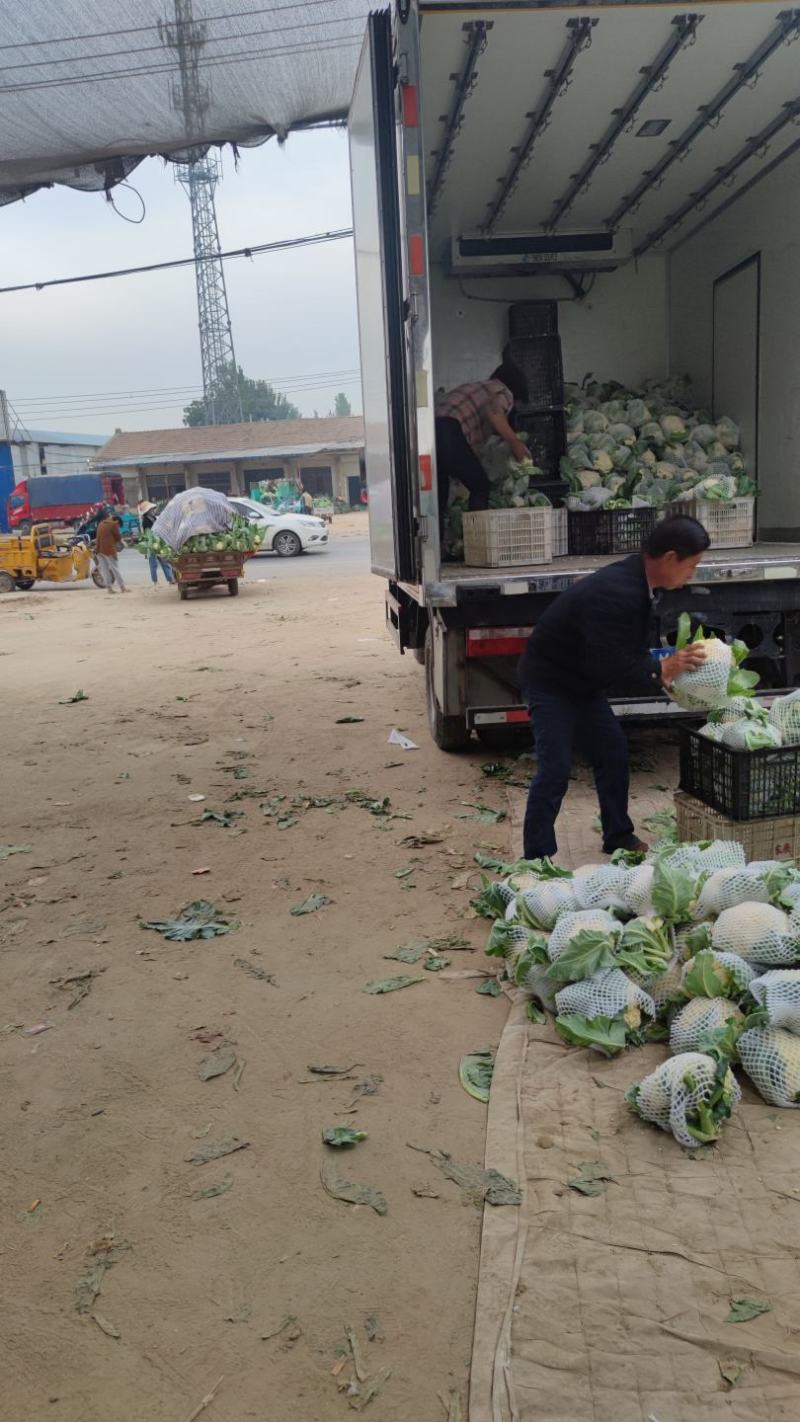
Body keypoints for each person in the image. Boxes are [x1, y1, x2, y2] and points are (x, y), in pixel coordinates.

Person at [517, 515, 711, 860]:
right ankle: (537, 857)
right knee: (556, 768)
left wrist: (667, 673)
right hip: (550, 682)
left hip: (581, 683)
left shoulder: (639, 581)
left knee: (613, 753)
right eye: (692, 565)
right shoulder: (617, 591)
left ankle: (618, 836)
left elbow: (625, 652)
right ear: (669, 558)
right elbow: (608, 663)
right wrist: (660, 668)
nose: (692, 573)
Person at [434, 356, 530, 529]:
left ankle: (436, 546)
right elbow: (493, 412)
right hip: (448, 429)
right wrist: (515, 442)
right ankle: (477, 541)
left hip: (430, 435)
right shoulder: (501, 390)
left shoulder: (477, 388)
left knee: (439, 494)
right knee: (480, 486)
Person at [138, 501, 175, 588]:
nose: (153, 511)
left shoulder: (154, 518)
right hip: (151, 544)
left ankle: (170, 579)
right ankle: (155, 581)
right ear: (147, 511)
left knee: (164, 562)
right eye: (151, 509)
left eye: (153, 509)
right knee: (153, 564)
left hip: (159, 543)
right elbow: (149, 533)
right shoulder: (145, 521)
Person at [94, 509, 129, 594]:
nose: (118, 527)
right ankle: (123, 587)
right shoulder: (113, 524)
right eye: (119, 526)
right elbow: (118, 537)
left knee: (105, 569)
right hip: (108, 550)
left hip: (98, 550)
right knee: (115, 568)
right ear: (117, 522)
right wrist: (123, 543)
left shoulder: (101, 524)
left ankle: (109, 589)